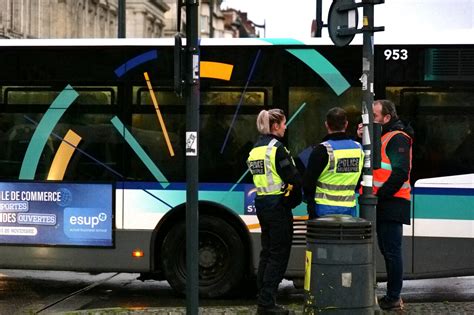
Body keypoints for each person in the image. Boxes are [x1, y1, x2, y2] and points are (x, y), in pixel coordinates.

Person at [357, 99, 414, 310]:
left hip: (391, 202)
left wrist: (379, 196)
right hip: (385, 202)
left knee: (391, 251)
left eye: (375, 116)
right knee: (387, 249)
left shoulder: (398, 138)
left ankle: (393, 297)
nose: (371, 119)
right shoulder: (384, 136)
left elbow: (400, 172)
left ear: (387, 118)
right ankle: (392, 296)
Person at [247, 109, 302, 315]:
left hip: (262, 203)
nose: (286, 127)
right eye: (284, 124)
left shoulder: (256, 149)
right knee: (278, 254)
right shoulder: (277, 148)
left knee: (267, 252)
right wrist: (291, 202)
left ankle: (263, 296)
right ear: (276, 126)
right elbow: (293, 178)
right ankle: (267, 303)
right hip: (277, 206)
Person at [303, 107, 364, 218]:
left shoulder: (322, 149)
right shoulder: (358, 148)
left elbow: (308, 183)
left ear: (327, 125)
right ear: (346, 124)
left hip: (323, 208)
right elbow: (360, 177)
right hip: (349, 208)